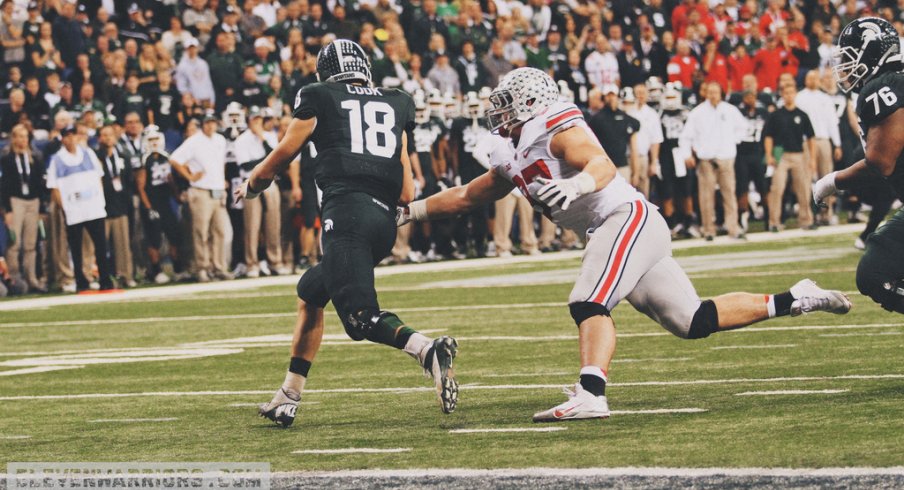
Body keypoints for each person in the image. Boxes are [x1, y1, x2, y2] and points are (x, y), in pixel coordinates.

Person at [399, 67, 852, 422]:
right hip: (625, 229)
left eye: (507, 105)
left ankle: (592, 394)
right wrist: (411, 211)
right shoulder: (509, 150)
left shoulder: (553, 129)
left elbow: (602, 164)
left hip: (624, 217)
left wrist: (577, 186)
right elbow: (466, 196)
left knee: (588, 300)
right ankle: (798, 296)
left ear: (533, 104)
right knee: (692, 320)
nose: (499, 114)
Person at [235, 40, 459, 427]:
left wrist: (253, 183)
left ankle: (426, 349)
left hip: (347, 216)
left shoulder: (319, 95)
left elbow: (285, 151)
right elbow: (407, 192)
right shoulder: (398, 100)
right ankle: (288, 395)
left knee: (359, 318)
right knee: (310, 293)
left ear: (324, 72)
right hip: (383, 224)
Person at [813, 17, 904, 314]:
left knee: (875, 272)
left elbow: (880, 162)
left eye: (851, 56)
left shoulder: (882, 87)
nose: (845, 66)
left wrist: (831, 181)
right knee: (876, 264)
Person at [46, 125, 114, 292]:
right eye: (66, 136)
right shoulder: (57, 159)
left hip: (93, 207)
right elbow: (54, 187)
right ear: (62, 139)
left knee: (100, 245)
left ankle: (105, 279)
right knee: (76, 248)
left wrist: (100, 200)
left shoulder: (88, 153)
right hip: (74, 210)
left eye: (72, 135)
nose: (70, 139)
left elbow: (98, 176)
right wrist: (65, 208)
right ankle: (81, 281)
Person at [171, 112, 232, 282]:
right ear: (202, 124)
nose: (210, 126)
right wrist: (189, 176)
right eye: (207, 123)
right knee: (201, 232)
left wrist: (222, 179)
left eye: (213, 122)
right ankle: (202, 268)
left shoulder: (220, 140)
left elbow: (221, 163)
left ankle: (218, 266)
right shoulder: (194, 141)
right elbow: (175, 159)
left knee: (219, 231)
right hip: (201, 190)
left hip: (218, 190)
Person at [681, 81, 745, 240]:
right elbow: (685, 136)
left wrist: (732, 141)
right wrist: (687, 154)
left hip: (726, 158)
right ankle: (709, 229)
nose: (713, 95)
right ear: (705, 93)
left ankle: (733, 228)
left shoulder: (730, 110)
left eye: (716, 92)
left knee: (729, 194)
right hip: (706, 160)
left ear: (721, 93)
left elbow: (743, 128)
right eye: (710, 92)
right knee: (706, 196)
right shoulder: (697, 113)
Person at [235, 107, 285, 277]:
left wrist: (261, 137)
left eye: (259, 119)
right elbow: (244, 165)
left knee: (273, 224)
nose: (257, 122)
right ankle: (252, 264)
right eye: (254, 119)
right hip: (249, 183)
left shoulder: (269, 136)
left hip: (270, 183)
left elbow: (276, 158)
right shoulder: (241, 140)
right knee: (252, 225)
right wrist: (265, 162)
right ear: (249, 121)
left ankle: (275, 262)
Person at [764, 83, 817, 232]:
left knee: (804, 189)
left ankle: (806, 220)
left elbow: (811, 138)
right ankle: (774, 222)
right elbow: (768, 137)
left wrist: (812, 159)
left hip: (798, 154)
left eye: (791, 93)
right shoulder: (775, 115)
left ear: (795, 94)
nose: (789, 95)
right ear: (782, 95)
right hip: (780, 153)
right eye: (786, 93)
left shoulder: (802, 114)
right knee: (777, 188)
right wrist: (769, 155)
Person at [0, 124, 45, 291]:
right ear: (14, 138)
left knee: (30, 243)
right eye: (20, 136)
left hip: (33, 201)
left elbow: (40, 183)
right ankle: (14, 278)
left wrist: (41, 208)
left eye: (25, 136)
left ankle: (31, 278)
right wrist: (7, 210)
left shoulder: (35, 156)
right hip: (16, 201)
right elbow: (3, 185)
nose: (23, 140)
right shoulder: (7, 158)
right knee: (14, 242)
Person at [96, 123, 136, 288]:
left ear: (115, 136)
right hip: (102, 208)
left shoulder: (123, 156)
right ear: (100, 138)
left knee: (123, 246)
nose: (107, 138)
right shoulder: (96, 157)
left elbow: (127, 182)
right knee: (99, 246)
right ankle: (100, 276)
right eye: (104, 135)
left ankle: (126, 275)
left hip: (120, 206)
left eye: (110, 135)